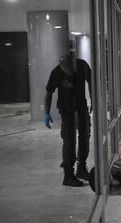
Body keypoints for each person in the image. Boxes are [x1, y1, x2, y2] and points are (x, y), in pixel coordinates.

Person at [44, 54, 92, 187]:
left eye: (71, 70)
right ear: (61, 67)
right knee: (69, 141)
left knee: (85, 137)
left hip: (81, 107)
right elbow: (49, 93)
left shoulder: (82, 66)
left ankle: (81, 168)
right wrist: (46, 113)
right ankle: (68, 175)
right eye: (66, 71)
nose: (69, 73)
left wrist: (94, 100)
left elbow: (92, 82)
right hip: (66, 110)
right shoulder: (56, 72)